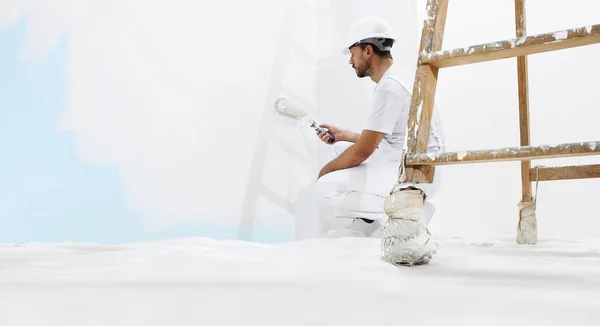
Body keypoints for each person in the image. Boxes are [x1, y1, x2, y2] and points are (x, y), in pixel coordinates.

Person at [315, 17, 445, 238]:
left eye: (352, 54)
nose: (350, 62)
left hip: (416, 176)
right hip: (417, 166)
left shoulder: (389, 89)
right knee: (338, 150)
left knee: (325, 186)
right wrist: (344, 135)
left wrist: (325, 171)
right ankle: (368, 222)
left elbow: (364, 151)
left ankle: (412, 212)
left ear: (367, 51)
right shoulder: (399, 79)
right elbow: (388, 139)